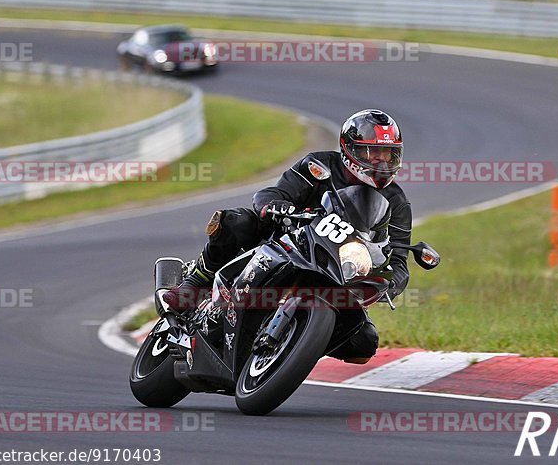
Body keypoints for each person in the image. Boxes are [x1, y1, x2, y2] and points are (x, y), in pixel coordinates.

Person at [159, 109, 412, 364]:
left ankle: (295, 345)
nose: (381, 161)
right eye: (373, 152)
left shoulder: (397, 202)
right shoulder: (318, 166)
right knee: (237, 222)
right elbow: (272, 193)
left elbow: (399, 260)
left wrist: (390, 282)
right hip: (286, 240)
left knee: (363, 344)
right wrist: (276, 206)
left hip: (339, 271)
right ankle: (195, 281)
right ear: (351, 149)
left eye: (388, 154)